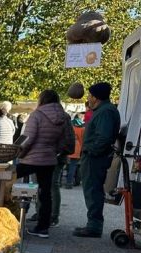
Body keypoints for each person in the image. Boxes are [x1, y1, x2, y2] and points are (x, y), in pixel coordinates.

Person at [18, 89, 75, 238]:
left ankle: (11, 216)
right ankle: (43, 228)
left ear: (42, 99)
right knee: (46, 193)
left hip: (31, 159)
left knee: (9, 177)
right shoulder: (64, 117)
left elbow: (28, 139)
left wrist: (19, 153)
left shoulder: (37, 115)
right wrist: (54, 150)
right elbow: (66, 141)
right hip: (49, 160)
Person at [73, 82, 121, 238]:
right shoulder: (104, 110)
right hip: (94, 156)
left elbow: (104, 137)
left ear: (95, 97)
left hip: (95, 158)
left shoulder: (105, 112)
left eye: (90, 95)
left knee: (93, 191)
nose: (88, 98)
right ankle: (92, 224)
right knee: (92, 190)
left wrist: (91, 151)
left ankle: (94, 226)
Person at [66, 113, 85, 189]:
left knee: (67, 165)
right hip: (77, 149)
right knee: (73, 166)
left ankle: (63, 182)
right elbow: (82, 140)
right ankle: (69, 183)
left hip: (68, 147)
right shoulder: (82, 128)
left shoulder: (70, 125)